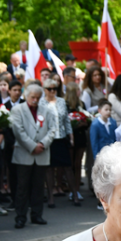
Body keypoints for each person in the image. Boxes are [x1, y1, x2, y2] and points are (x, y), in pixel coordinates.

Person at [10, 84, 56, 229]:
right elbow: (18, 131)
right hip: (24, 154)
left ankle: (37, 215)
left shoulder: (46, 110)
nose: (35, 100)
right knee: (22, 187)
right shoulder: (18, 110)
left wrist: (42, 143)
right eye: (32, 97)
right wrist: (32, 146)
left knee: (38, 187)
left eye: (38, 97)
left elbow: (52, 129)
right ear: (26, 96)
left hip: (42, 154)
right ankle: (20, 217)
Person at [41, 78, 80, 208]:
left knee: (68, 167)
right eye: (50, 89)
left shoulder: (62, 101)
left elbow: (67, 121)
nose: (52, 91)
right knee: (50, 169)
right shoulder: (41, 103)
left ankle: (75, 194)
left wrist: (71, 136)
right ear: (45, 90)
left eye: (55, 89)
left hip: (61, 137)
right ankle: (51, 196)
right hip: (49, 140)